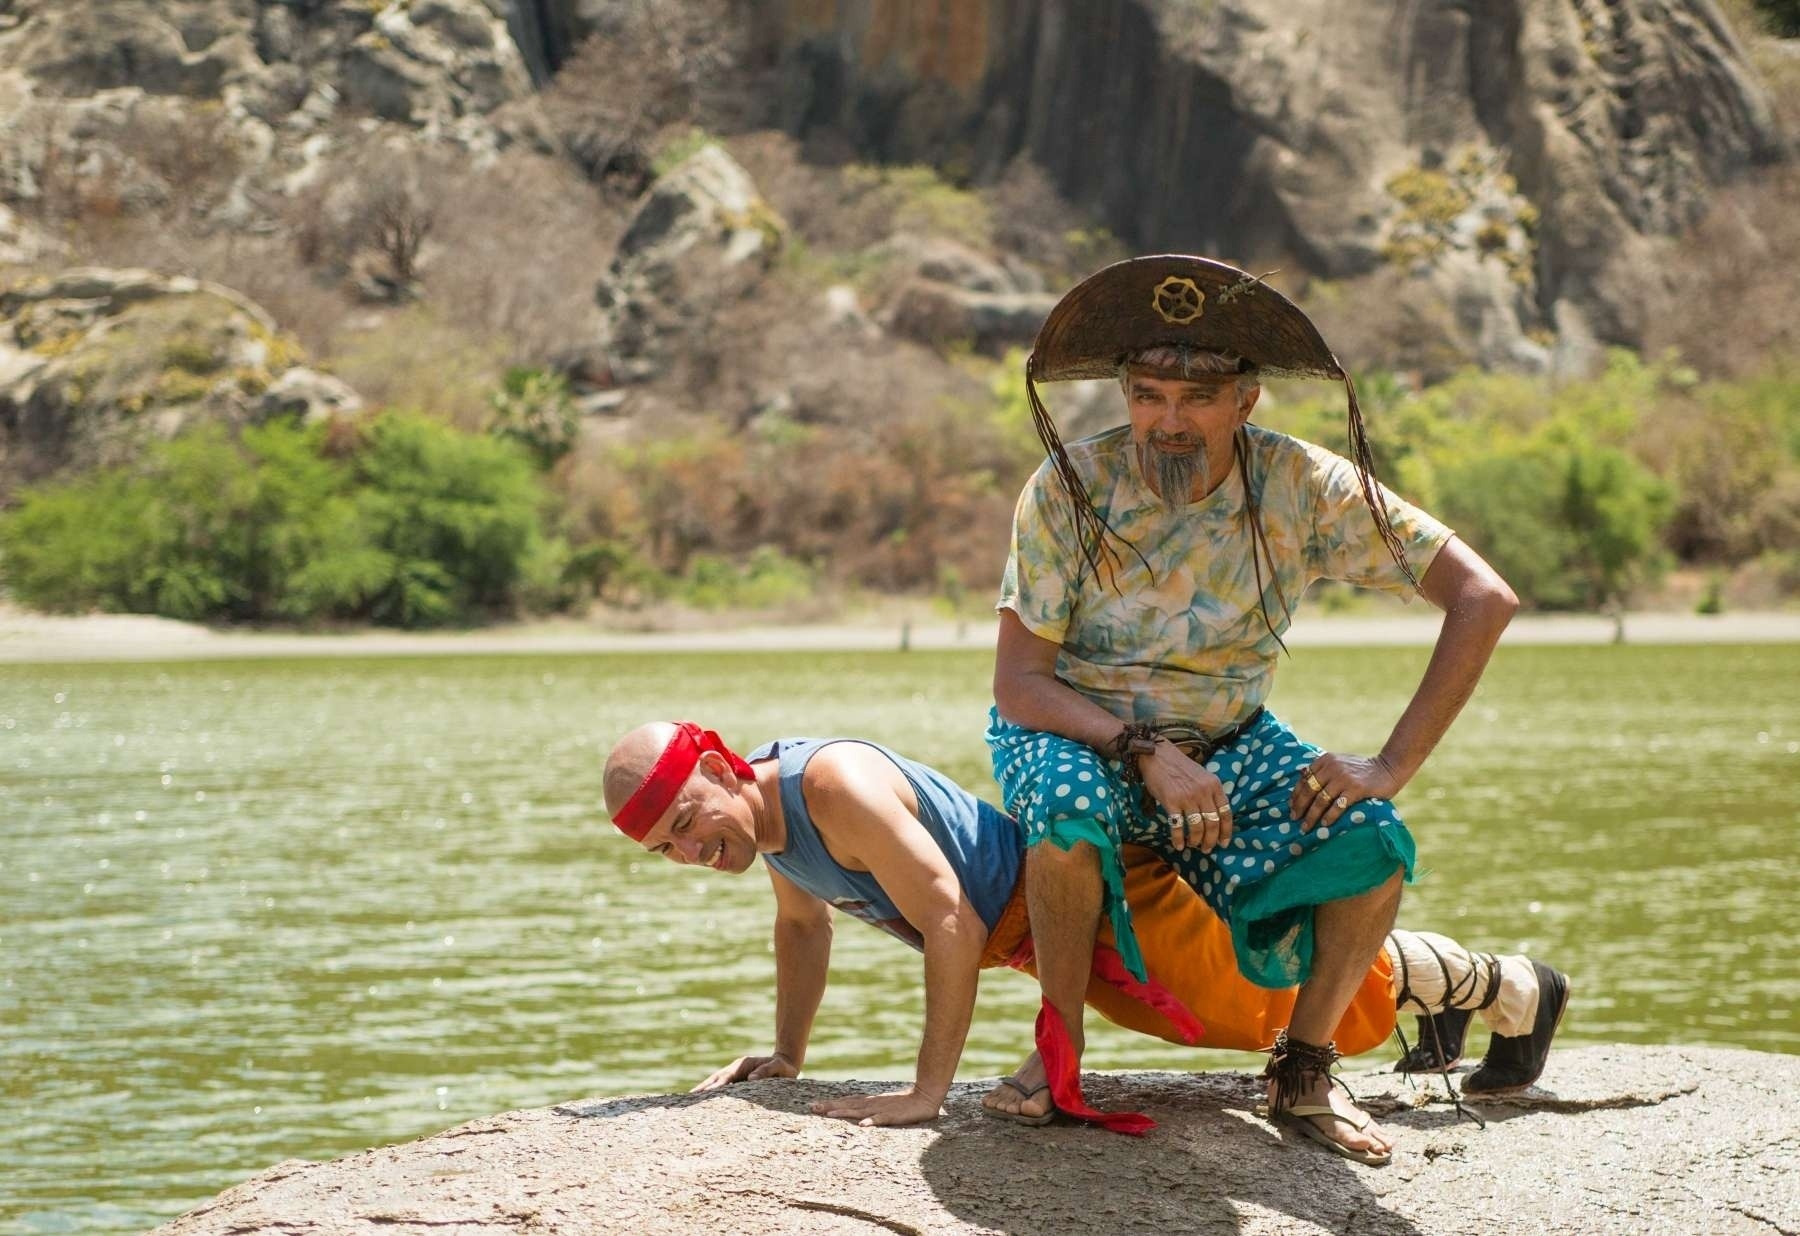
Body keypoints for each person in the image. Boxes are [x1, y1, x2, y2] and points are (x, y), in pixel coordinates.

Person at [989, 255, 1568, 1163]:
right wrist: (1141, 747)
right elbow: (1019, 684)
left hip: (1229, 738)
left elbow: (1482, 597)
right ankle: (1055, 1052)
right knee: (1065, 822)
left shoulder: (1302, 485)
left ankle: (1303, 1070)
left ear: (1246, 401)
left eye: (1197, 400)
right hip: (1081, 726)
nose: (1168, 422)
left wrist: (1388, 766)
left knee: (1371, 840)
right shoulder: (1069, 488)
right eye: (1147, 396)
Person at [601, 720, 1565, 1132]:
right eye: (668, 851)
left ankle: (1510, 986)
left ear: (723, 768)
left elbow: (946, 916)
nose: (691, 852)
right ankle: (1461, 998)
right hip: (1044, 942)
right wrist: (785, 1055)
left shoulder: (829, 787)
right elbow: (803, 929)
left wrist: (923, 1093)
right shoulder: (764, 832)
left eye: (688, 821)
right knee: (1267, 994)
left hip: (1090, 903)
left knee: (1267, 1006)